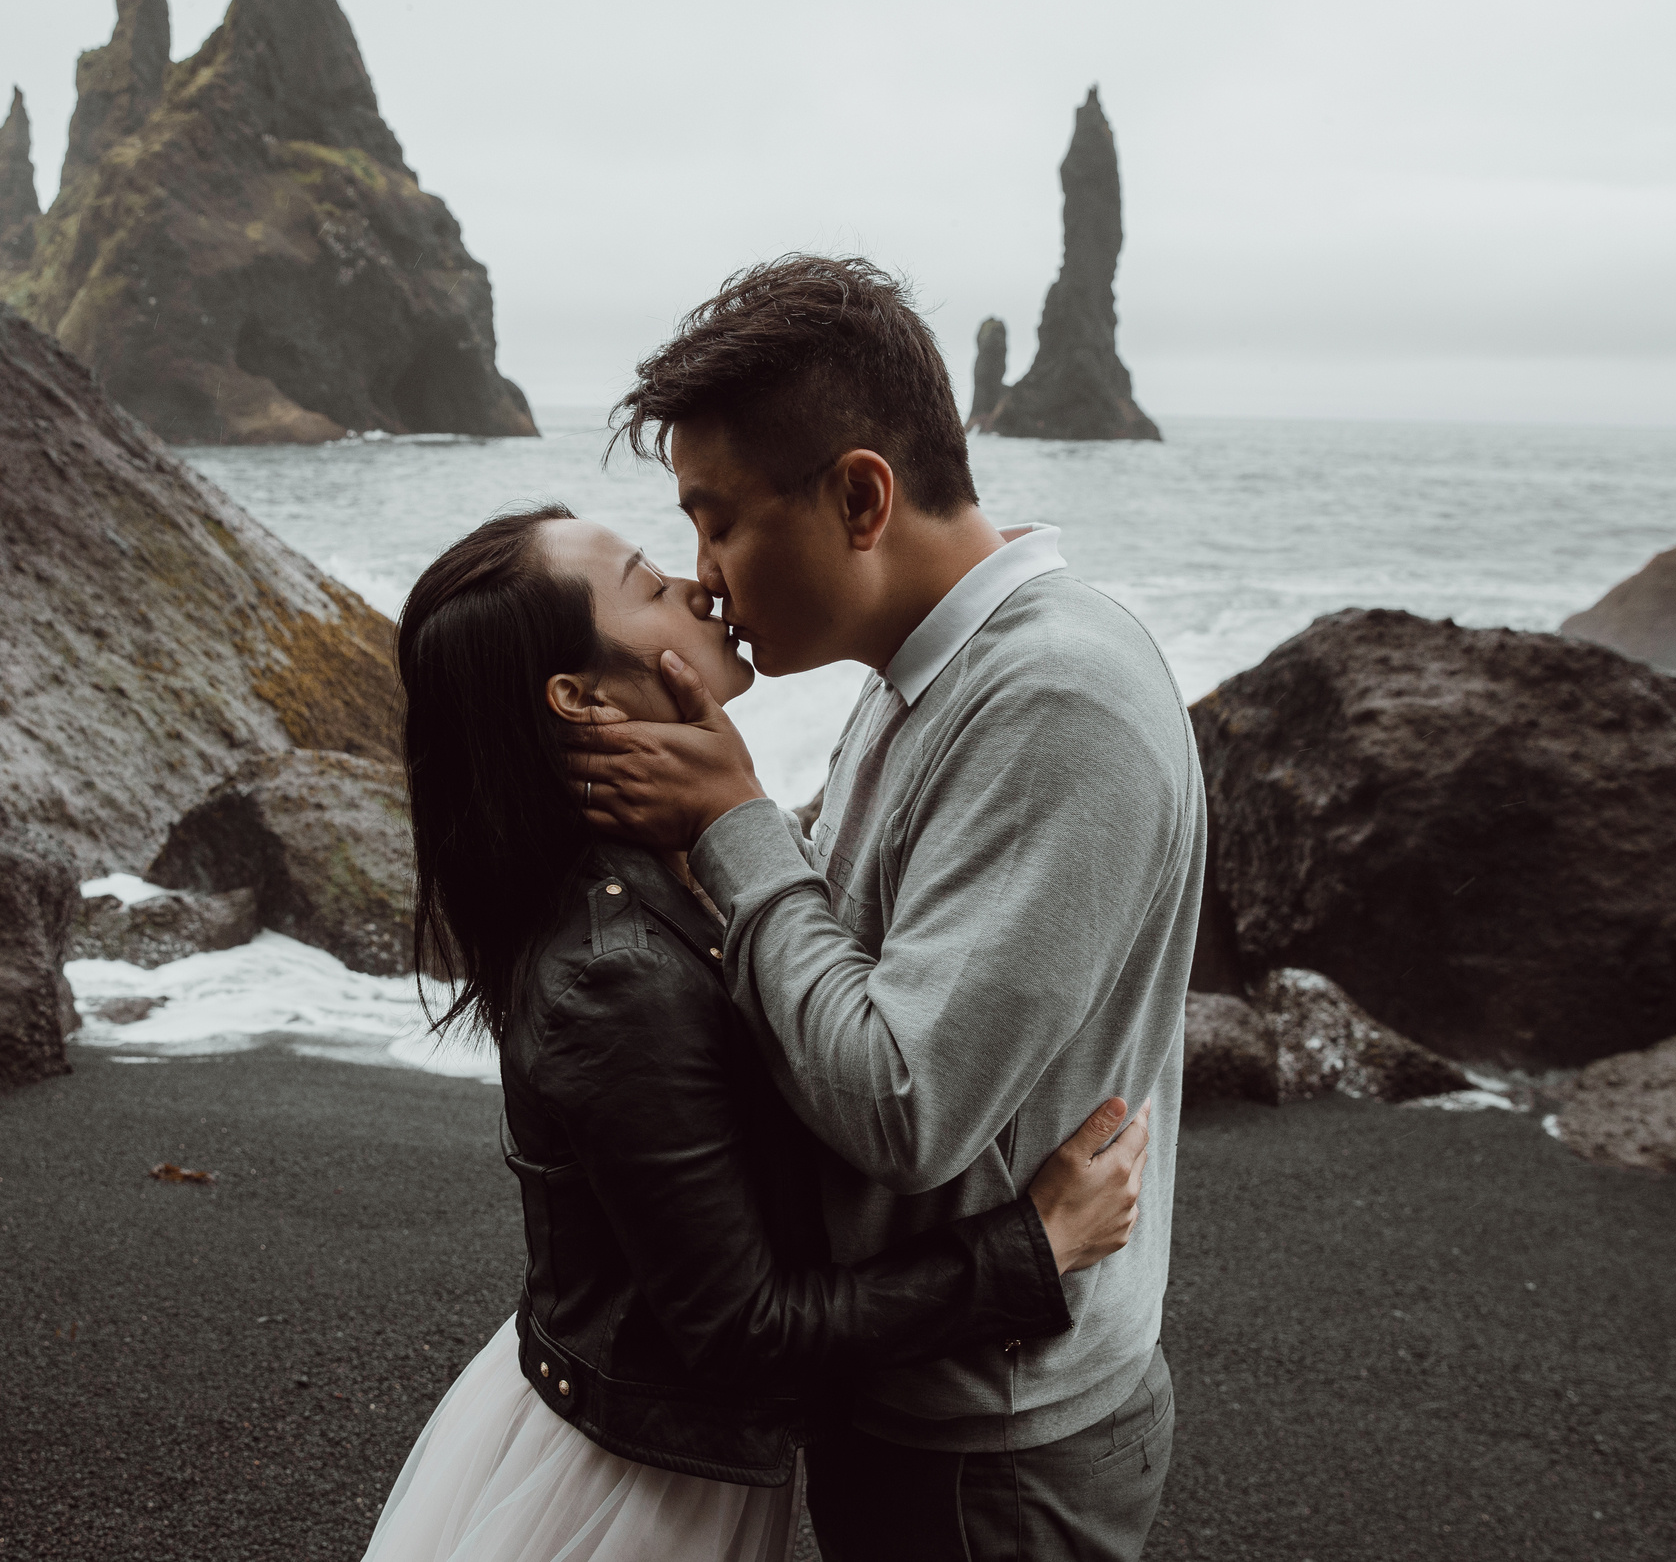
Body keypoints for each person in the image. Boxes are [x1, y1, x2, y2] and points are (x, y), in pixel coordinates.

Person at [361, 503, 1156, 1562]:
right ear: (581, 697)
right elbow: (743, 1330)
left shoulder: (665, 877)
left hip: (666, 1459)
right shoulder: (616, 975)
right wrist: (1032, 1249)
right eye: (648, 585)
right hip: (630, 1501)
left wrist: (738, 817)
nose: (698, 585)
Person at [568, 255, 1207, 1562]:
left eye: (721, 518)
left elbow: (902, 1102)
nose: (707, 571)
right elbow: (857, 918)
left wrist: (735, 823)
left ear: (860, 495)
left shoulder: (1053, 702)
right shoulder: (932, 664)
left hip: (997, 1442)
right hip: (930, 1385)